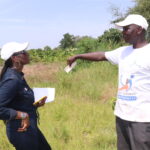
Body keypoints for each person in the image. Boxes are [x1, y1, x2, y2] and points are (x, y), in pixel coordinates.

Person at [67, 14, 150, 150]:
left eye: (126, 29)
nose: (123, 33)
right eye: (122, 29)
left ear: (139, 29)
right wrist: (78, 56)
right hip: (122, 116)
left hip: (143, 120)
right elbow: (101, 56)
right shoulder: (123, 52)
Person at [0, 42, 52, 150]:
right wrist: (23, 115)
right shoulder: (12, 80)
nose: (27, 53)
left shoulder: (18, 76)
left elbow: (18, 102)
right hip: (20, 130)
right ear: (14, 58)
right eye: (23, 52)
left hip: (29, 128)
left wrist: (35, 104)